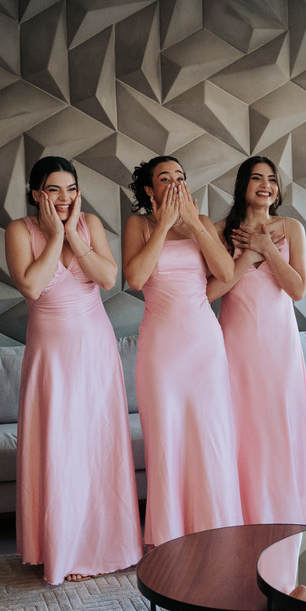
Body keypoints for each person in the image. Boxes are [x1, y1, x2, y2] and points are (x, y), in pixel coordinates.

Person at [5, 155, 142, 583]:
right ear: (36, 194)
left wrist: (73, 236)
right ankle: (63, 549)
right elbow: (31, 285)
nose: (64, 198)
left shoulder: (91, 225)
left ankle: (103, 547)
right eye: (53, 189)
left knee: (97, 445)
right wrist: (55, 235)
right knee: (60, 447)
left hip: (95, 351)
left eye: (70, 189)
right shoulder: (18, 231)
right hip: (51, 357)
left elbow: (108, 278)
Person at [121, 156, 243, 546]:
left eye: (180, 176)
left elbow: (225, 272)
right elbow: (136, 278)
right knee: (166, 439)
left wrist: (192, 222)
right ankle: (169, 537)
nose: (175, 183)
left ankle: (217, 530)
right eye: (165, 178)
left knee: (210, 438)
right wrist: (164, 226)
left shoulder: (201, 222)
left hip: (204, 346)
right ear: (149, 190)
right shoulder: (139, 225)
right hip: (161, 351)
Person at [207, 156, 306, 526]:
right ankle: (244, 517)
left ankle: (286, 515)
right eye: (257, 178)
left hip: (280, 347)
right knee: (242, 430)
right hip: (236, 347)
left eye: (271, 179)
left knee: (279, 427)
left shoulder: (291, 228)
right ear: (243, 186)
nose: (266, 185)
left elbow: (297, 290)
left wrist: (267, 249)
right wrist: (249, 255)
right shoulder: (220, 231)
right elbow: (210, 292)